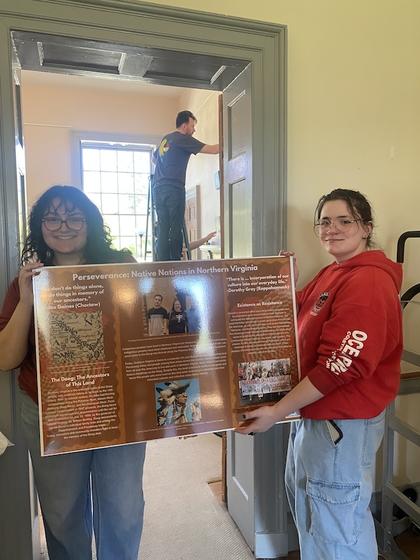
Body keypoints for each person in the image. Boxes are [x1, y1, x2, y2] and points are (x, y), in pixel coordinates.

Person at [238, 188, 403, 559]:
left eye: (345, 220)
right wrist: (280, 279)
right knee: (315, 513)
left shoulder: (368, 281)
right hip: (316, 416)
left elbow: (340, 364)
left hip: (341, 424)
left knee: (336, 528)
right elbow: (295, 318)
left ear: (366, 228)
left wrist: (277, 412)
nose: (333, 228)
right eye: (325, 221)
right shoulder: (333, 272)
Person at [0, 185, 146, 560]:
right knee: (62, 513)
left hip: (116, 407)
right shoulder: (28, 279)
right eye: (52, 217)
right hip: (52, 413)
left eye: (74, 216)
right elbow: (6, 358)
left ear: (90, 223)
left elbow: (148, 332)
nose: (63, 225)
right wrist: (28, 299)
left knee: (124, 509)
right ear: (40, 225)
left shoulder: (119, 265)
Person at [152, 110, 219, 261]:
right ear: (184, 125)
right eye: (192, 125)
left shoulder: (166, 139)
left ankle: (161, 263)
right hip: (174, 188)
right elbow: (214, 150)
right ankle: (175, 261)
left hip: (158, 188)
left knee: (163, 226)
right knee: (176, 226)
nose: (194, 130)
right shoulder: (183, 139)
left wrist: (166, 168)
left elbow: (154, 158)